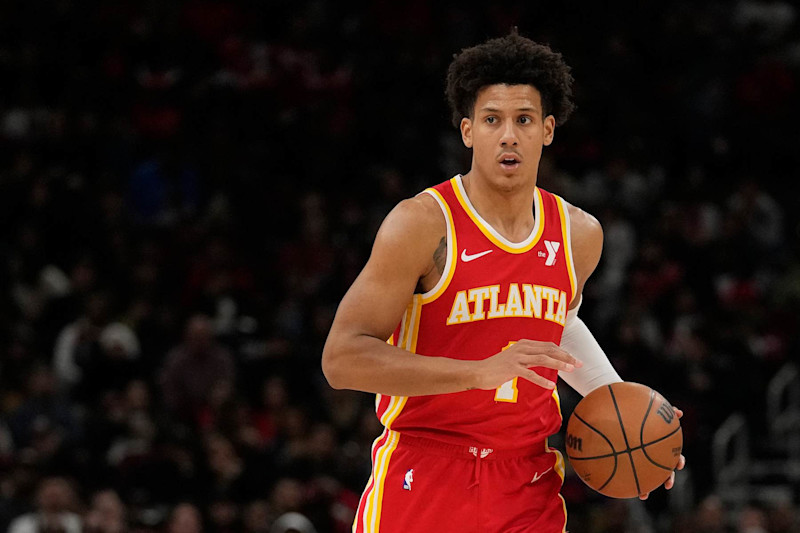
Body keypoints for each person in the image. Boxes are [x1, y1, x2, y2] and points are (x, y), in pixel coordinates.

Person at [322, 31, 685, 532]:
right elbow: (341, 359)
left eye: (524, 120)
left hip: (526, 480)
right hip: (427, 469)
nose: (508, 135)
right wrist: (477, 371)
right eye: (492, 120)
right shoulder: (422, 224)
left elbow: (559, 322)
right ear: (468, 131)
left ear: (548, 130)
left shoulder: (579, 234)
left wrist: (620, 409)